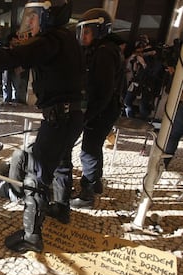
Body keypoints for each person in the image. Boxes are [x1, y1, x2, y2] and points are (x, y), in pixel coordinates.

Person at [0, 0, 83, 252]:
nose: (30, 23)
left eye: (34, 18)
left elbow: (14, 56)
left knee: (36, 175)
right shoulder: (65, 39)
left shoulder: (50, 40)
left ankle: (31, 236)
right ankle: (61, 208)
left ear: (48, 17)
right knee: (61, 162)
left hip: (60, 118)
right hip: (72, 116)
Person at [70, 9, 123, 209]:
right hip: (106, 109)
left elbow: (103, 91)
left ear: (100, 31)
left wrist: (88, 116)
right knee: (94, 146)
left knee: (88, 151)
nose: (83, 36)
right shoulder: (106, 48)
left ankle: (87, 195)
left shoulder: (104, 52)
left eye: (87, 32)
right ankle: (96, 184)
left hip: (102, 110)